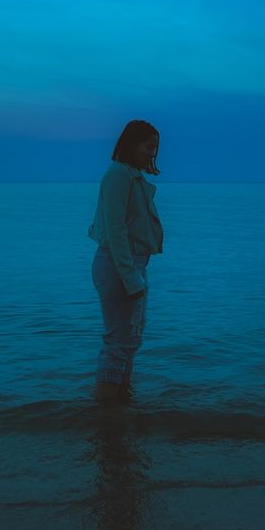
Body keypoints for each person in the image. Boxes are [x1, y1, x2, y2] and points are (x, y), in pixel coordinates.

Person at [89, 119, 164, 402]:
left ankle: (122, 403)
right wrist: (131, 278)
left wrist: (136, 274)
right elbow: (116, 231)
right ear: (131, 145)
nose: (152, 153)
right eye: (148, 147)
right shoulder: (118, 176)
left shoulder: (131, 176)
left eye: (155, 147)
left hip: (134, 264)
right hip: (119, 265)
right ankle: (107, 413)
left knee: (130, 341)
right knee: (118, 343)